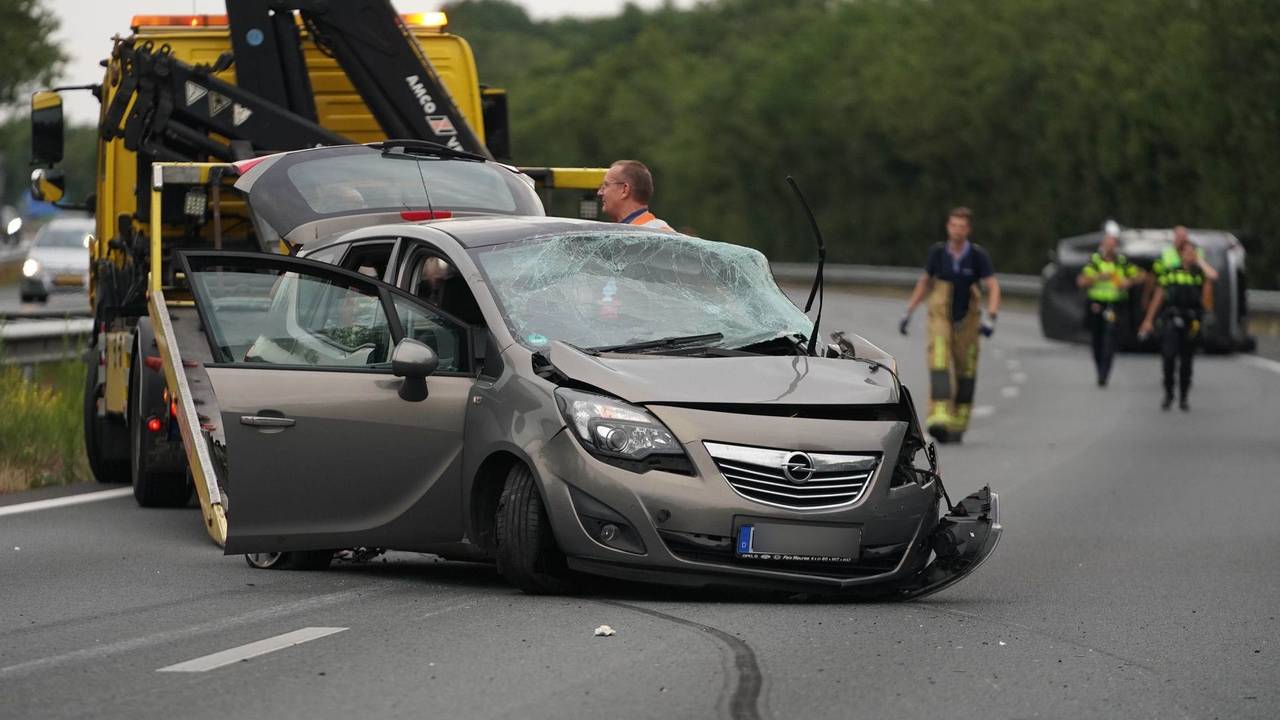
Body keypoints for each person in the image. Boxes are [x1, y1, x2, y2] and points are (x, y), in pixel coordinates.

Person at [899, 207, 1001, 443]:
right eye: (953, 225)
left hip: (968, 318)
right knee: (939, 358)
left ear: (969, 229)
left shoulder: (977, 256)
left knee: (966, 369)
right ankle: (939, 415)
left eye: (962, 226)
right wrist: (908, 312)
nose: (957, 230)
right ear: (948, 227)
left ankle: (958, 423)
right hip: (941, 314)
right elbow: (924, 283)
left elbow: (993, 286)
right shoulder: (937, 253)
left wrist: (991, 317)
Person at [1139, 238, 1214, 411]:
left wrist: (1200, 262)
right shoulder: (1170, 272)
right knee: (1169, 357)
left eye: (1192, 253)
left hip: (1191, 321)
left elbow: (1212, 276)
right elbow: (1159, 295)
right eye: (1186, 253)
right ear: (1180, 254)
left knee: (1187, 361)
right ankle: (1169, 392)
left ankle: (1184, 397)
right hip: (1172, 319)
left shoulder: (1199, 274)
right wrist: (1148, 320)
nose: (1189, 256)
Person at [1077, 221, 1142, 386]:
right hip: (1097, 303)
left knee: (1110, 338)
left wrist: (1129, 281)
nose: (1110, 248)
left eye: (1113, 245)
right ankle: (1099, 367)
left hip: (1115, 304)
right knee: (1097, 339)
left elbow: (1141, 276)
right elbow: (1082, 281)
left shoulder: (1122, 262)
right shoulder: (1095, 261)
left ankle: (1105, 373)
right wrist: (1099, 277)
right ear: (1103, 245)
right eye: (1108, 244)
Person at [597, 160, 673, 231]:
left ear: (624, 190)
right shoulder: (646, 231)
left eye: (605, 186)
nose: (599, 192)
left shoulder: (658, 234)